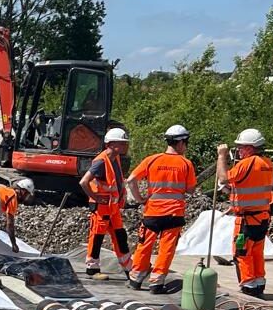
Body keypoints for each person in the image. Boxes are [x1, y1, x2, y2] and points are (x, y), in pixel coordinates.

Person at [126, 125, 197, 293]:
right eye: (185, 143)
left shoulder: (152, 160)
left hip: (152, 212)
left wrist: (139, 199)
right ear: (180, 143)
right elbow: (191, 189)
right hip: (174, 214)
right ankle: (156, 283)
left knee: (144, 246)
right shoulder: (186, 164)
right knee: (166, 249)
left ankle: (136, 279)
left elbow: (131, 180)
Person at [219, 129, 273, 298]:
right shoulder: (267, 163)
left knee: (242, 252)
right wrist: (235, 203)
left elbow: (223, 178)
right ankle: (258, 284)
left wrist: (222, 157)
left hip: (247, 220)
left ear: (250, 148)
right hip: (262, 217)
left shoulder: (247, 163)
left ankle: (248, 285)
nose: (239, 151)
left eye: (241, 147)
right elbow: (250, 188)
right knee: (257, 252)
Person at [79, 127, 133, 277]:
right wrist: (95, 197)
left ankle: (129, 268)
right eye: (122, 143)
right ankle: (92, 268)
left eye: (125, 143)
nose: (125, 146)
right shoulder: (101, 162)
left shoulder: (114, 159)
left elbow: (117, 182)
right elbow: (84, 182)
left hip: (112, 206)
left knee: (120, 235)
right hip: (101, 207)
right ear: (110, 144)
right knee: (97, 236)